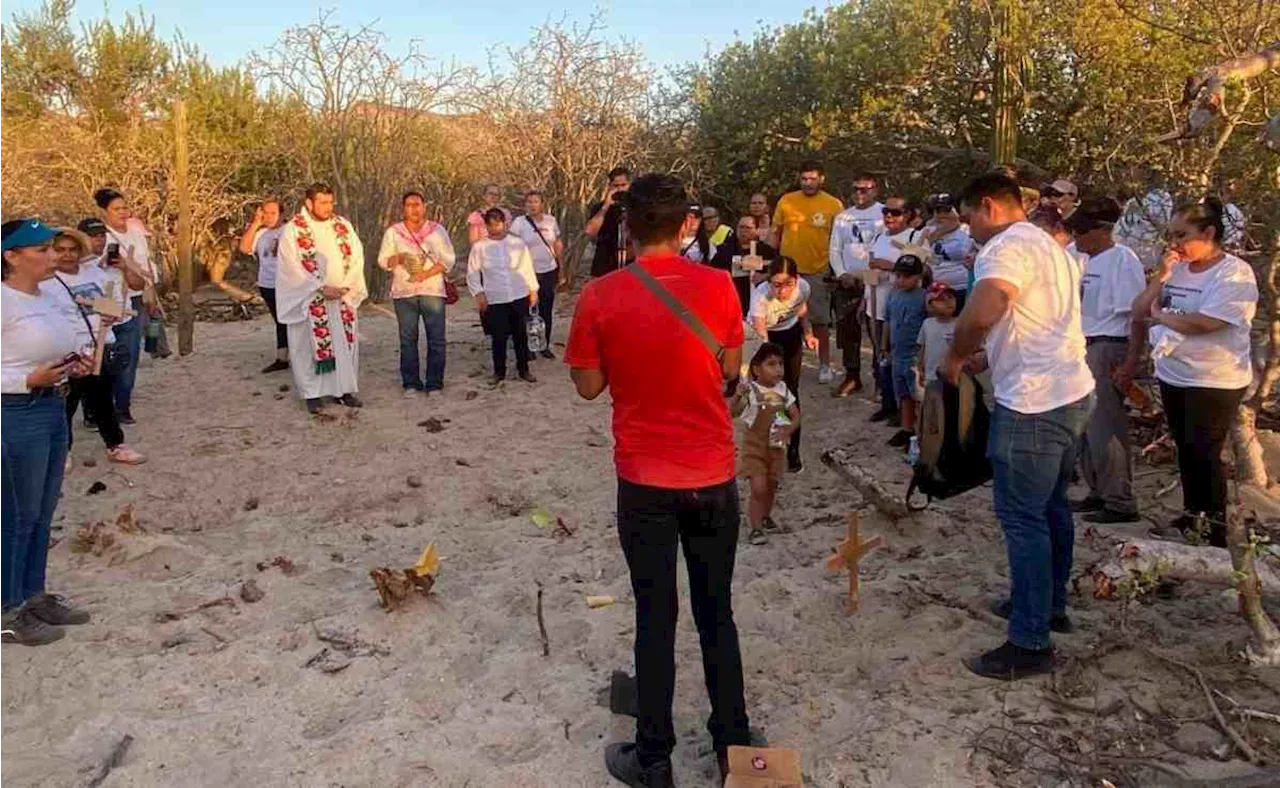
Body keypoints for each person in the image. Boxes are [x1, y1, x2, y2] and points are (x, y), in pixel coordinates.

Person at [565, 172, 750, 788]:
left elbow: (589, 386)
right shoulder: (722, 286)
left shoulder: (600, 295)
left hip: (644, 476)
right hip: (712, 471)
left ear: (628, 225)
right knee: (716, 610)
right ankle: (733, 746)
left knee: (655, 614)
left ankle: (653, 758)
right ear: (685, 224)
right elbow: (729, 365)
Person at [941, 171, 1095, 680]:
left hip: (1032, 404)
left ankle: (1030, 642)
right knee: (1051, 507)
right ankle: (1049, 606)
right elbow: (1033, 321)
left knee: (1021, 518)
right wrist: (988, 359)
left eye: (969, 219)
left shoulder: (1004, 247)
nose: (969, 230)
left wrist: (957, 353)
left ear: (988, 206)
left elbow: (988, 307)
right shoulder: (1048, 245)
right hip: (1070, 390)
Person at [1117, 198, 1258, 548]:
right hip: (1175, 373)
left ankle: (1213, 527)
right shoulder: (1177, 268)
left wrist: (1162, 316)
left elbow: (1207, 321)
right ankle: (1193, 515)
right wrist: (1161, 277)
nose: (1175, 243)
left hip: (1214, 378)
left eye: (1183, 235)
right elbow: (1139, 311)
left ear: (1209, 233)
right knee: (1186, 449)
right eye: (1171, 235)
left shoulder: (1233, 273)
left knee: (1204, 450)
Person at [0, 218, 94, 645]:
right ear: (11, 256)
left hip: (51, 409)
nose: (53, 255)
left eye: (52, 247)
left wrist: (73, 363)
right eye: (41, 249)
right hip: (14, 413)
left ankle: (33, 595)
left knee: (41, 512)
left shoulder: (48, 296)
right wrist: (23, 382)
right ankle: (7, 610)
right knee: (14, 515)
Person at [1066, 197, 1146, 525]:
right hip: (1078, 345)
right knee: (1083, 427)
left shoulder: (1122, 260)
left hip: (1107, 344)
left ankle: (1120, 500)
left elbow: (1135, 315)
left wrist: (1130, 362)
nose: (1078, 237)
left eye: (1083, 231)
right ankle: (1096, 490)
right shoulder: (1075, 256)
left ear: (1103, 230)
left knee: (1106, 425)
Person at [43, 227, 145, 465]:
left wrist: (112, 315)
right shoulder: (47, 282)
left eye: (72, 250)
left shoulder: (94, 274)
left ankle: (115, 445)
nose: (67, 255)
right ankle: (63, 451)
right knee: (66, 404)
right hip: (68, 351)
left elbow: (115, 304)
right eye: (60, 250)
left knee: (101, 400)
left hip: (99, 346)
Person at [276, 183, 368, 415]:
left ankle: (344, 390)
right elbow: (291, 267)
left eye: (330, 202)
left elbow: (357, 255)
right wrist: (319, 288)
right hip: (310, 300)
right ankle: (312, 394)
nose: (329, 207)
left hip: (341, 297)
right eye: (323, 202)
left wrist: (346, 284)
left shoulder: (342, 225)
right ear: (309, 203)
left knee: (344, 345)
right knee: (306, 347)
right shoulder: (293, 230)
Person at [377, 191, 457, 395]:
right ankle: (411, 383)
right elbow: (382, 260)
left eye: (417, 204)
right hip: (404, 292)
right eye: (409, 205)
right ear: (403, 208)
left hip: (432, 290)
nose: (414, 209)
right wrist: (397, 258)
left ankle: (434, 383)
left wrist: (426, 273)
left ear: (424, 206)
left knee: (436, 338)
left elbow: (448, 260)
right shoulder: (393, 232)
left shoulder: (437, 231)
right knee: (408, 339)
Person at [772, 161, 844, 384]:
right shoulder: (786, 201)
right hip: (788, 272)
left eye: (813, 179)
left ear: (822, 179)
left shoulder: (834, 205)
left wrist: (834, 270)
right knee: (782, 319)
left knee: (820, 321)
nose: (808, 183)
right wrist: (772, 265)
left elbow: (839, 240)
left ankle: (824, 365)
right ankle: (781, 365)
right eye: (804, 179)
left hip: (817, 271)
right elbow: (776, 233)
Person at [748, 257, 819, 473]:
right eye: (775, 284)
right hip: (765, 337)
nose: (781, 291)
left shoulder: (803, 287)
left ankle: (793, 450)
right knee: (771, 395)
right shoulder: (760, 296)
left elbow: (801, 309)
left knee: (791, 391)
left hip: (790, 333)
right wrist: (768, 366)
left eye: (787, 284)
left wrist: (808, 333)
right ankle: (771, 449)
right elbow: (761, 334)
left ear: (796, 280)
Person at [95, 187, 156, 426]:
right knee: (104, 352)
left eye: (124, 207)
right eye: (116, 209)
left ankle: (122, 405)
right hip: (109, 297)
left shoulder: (136, 232)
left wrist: (152, 292)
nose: (122, 212)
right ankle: (99, 407)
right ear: (105, 212)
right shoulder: (101, 236)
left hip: (136, 294)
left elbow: (146, 264)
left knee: (129, 353)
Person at [729, 343, 800, 546]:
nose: (778, 369)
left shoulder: (784, 390)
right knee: (758, 488)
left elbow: (795, 416)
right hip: (754, 447)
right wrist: (737, 395)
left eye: (780, 364)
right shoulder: (750, 390)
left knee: (771, 485)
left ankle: (766, 517)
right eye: (771, 364)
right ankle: (755, 527)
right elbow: (731, 413)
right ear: (756, 369)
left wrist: (789, 429)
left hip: (777, 447)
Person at [867, 196, 925, 423]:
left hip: (905, 308)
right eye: (886, 212)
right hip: (877, 304)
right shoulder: (878, 236)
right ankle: (887, 404)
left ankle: (905, 412)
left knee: (904, 362)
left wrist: (890, 266)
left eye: (895, 212)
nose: (889, 216)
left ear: (908, 214)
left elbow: (925, 269)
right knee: (881, 357)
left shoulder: (915, 237)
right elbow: (871, 268)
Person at [828, 172, 886, 397]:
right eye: (856, 189)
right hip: (848, 281)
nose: (860, 193)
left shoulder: (883, 213)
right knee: (848, 330)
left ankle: (880, 376)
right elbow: (835, 248)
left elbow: (887, 244)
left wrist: (874, 272)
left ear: (875, 189)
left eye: (865, 189)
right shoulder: (843, 217)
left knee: (876, 330)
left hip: (874, 280)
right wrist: (841, 273)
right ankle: (852, 376)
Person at [467, 208, 540, 386]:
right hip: (495, 296)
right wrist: (479, 293)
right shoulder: (479, 247)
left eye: (498, 224)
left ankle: (524, 369)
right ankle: (499, 372)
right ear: (486, 226)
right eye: (491, 225)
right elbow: (473, 272)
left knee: (520, 335)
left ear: (504, 223)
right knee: (498, 337)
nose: (495, 229)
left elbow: (526, 267)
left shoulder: (517, 243)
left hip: (518, 293)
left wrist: (533, 290)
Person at [508, 191, 563, 360]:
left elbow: (556, 244)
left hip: (548, 270)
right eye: (529, 202)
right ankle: (527, 346)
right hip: (526, 273)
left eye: (536, 201)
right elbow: (511, 245)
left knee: (546, 309)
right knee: (526, 310)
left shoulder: (550, 221)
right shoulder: (519, 223)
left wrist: (562, 268)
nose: (532, 205)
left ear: (542, 203)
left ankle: (544, 345)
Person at [239, 199, 290, 373]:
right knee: (279, 321)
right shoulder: (261, 233)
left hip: (287, 283)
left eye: (272, 213)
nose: (268, 217)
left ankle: (291, 356)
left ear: (281, 214)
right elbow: (244, 248)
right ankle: (282, 357)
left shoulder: (290, 231)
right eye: (265, 213)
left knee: (290, 321)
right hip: (267, 283)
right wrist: (255, 223)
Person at [885, 254, 928, 449]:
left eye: (907, 276)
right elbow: (887, 320)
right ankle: (907, 430)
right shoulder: (893, 294)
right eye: (898, 276)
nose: (901, 280)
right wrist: (883, 345)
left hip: (914, 356)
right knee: (903, 396)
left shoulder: (924, 297)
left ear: (918, 277)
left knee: (918, 397)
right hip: (897, 353)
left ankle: (921, 436)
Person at [711, 215, 776, 316]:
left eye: (748, 228)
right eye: (741, 227)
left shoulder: (766, 251)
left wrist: (765, 276)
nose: (744, 231)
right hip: (732, 300)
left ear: (756, 230)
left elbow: (777, 270)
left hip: (759, 302)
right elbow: (713, 272)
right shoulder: (724, 249)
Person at [924, 194, 973, 311]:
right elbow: (919, 254)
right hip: (937, 289)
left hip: (962, 288)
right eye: (937, 210)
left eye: (946, 210)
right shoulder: (928, 231)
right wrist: (936, 235)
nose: (941, 214)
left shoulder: (967, 231)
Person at [586, 167, 633, 277]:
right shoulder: (600, 207)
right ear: (610, 186)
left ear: (630, 185)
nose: (620, 189)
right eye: (616, 186)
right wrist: (606, 206)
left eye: (623, 185)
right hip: (605, 265)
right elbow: (589, 231)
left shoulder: (638, 207)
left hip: (631, 265)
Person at [917, 282, 958, 383]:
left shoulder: (960, 324)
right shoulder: (927, 324)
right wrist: (920, 368)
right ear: (930, 304)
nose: (948, 301)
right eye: (941, 299)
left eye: (951, 297)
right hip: (931, 376)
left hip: (953, 377)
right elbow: (922, 347)